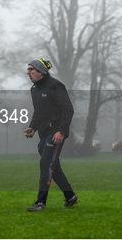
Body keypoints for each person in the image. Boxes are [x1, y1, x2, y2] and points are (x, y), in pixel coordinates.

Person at [24, 58, 77, 212]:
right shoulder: (34, 90)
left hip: (56, 133)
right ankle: (70, 197)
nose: (28, 73)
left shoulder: (56, 86)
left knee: (45, 164)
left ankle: (40, 203)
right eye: (28, 70)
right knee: (53, 167)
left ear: (41, 72)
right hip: (44, 134)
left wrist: (61, 131)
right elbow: (39, 113)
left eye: (31, 69)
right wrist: (32, 128)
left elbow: (68, 110)